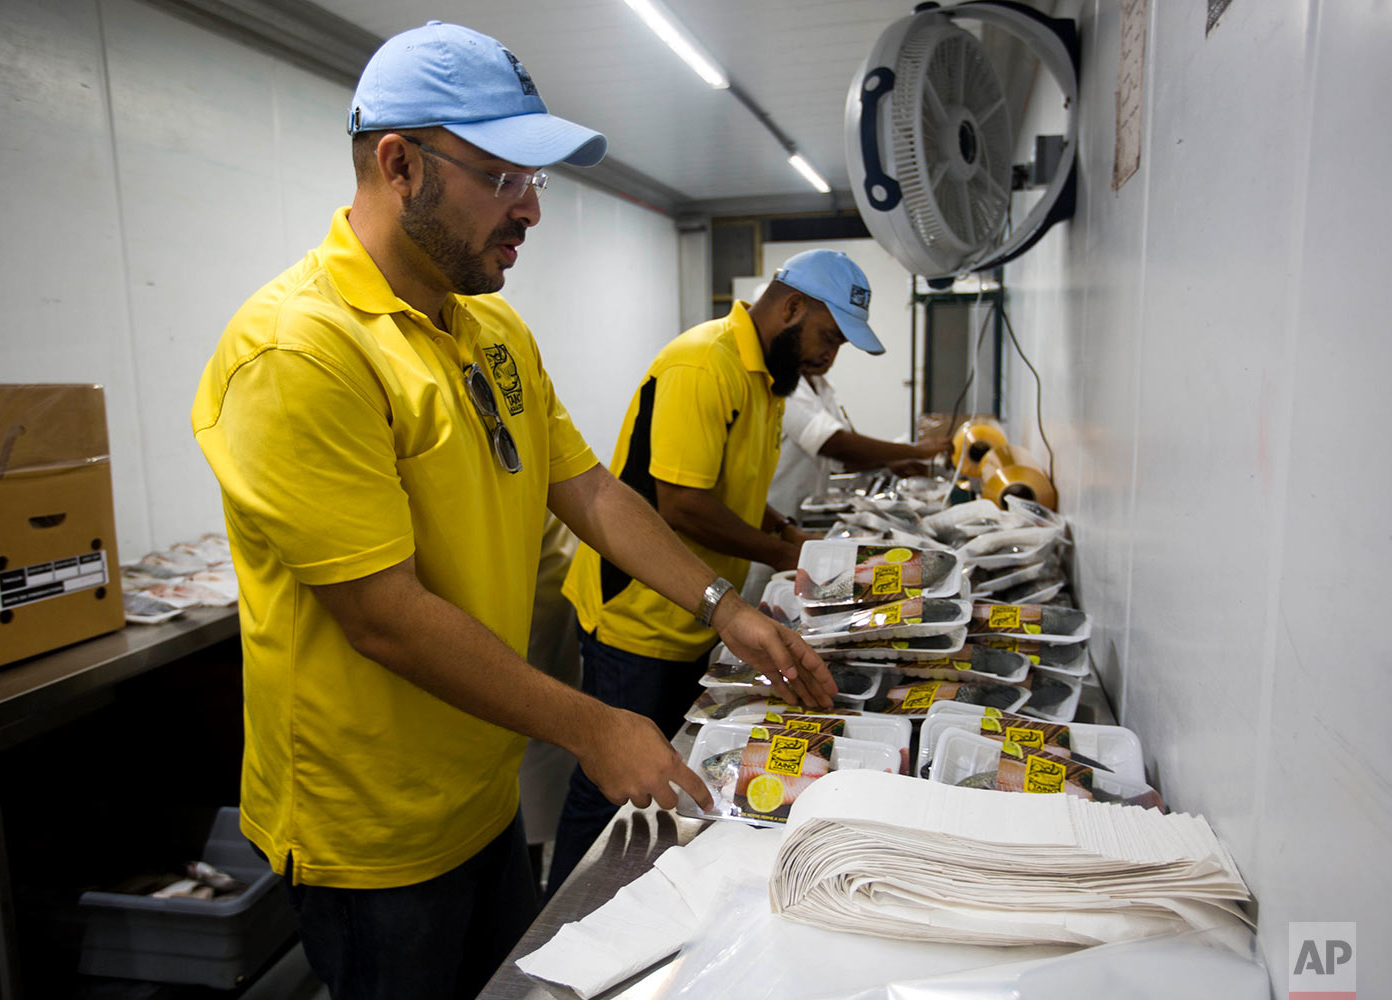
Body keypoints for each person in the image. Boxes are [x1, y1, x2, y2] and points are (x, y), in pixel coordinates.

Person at [189, 22, 833, 1000]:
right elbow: (384, 616)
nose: (532, 208)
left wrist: (723, 605)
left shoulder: (490, 327)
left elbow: (588, 490)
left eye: (538, 180)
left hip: (483, 794)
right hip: (377, 836)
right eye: (504, 178)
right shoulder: (301, 350)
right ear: (400, 165)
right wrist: (594, 726)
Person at [548, 249, 885, 894]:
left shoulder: (767, 379)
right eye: (828, 337)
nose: (829, 358)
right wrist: (784, 556)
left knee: (665, 774)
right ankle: (560, 924)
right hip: (638, 619)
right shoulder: (704, 364)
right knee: (609, 785)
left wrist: (781, 526)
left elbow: (728, 483)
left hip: (698, 608)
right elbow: (683, 504)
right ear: (791, 308)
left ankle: (639, 895)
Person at [743, 359, 950, 602]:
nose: (830, 354)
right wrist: (914, 450)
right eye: (827, 338)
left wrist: (890, 463)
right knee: (764, 600)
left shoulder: (822, 387)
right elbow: (834, 444)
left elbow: (846, 458)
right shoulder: (786, 387)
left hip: (799, 523)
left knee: (798, 600)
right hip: (767, 522)